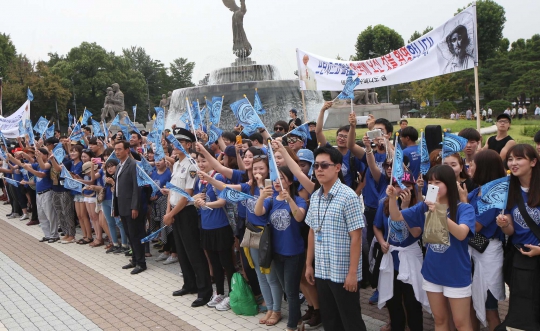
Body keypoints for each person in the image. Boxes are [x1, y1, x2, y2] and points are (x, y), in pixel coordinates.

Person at [388, 165, 476, 330]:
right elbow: (397, 216)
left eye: (438, 182)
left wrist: (440, 212)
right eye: (430, 182)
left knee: (461, 323)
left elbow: (462, 234)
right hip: (432, 273)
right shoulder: (424, 207)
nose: (432, 185)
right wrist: (393, 198)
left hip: (456, 274)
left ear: (449, 184)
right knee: (440, 320)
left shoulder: (465, 208)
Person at [305, 146, 367, 331]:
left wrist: (352, 273)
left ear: (338, 168)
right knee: (330, 320)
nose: (319, 170)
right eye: (316, 166)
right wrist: (309, 264)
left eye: (324, 165)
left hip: (343, 272)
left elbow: (356, 237)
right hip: (323, 270)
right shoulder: (315, 196)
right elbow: (312, 232)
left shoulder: (348, 196)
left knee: (351, 320)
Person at [163, 128, 212, 307]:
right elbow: (172, 190)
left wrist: (171, 213)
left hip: (186, 212)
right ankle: (189, 284)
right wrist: (168, 211)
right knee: (182, 251)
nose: (175, 145)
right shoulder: (176, 163)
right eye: (174, 142)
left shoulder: (191, 164)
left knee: (194, 252)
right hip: (175, 211)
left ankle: (204, 291)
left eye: (180, 142)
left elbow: (188, 194)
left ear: (188, 144)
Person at [255, 166, 307, 331]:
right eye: (276, 179)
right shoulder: (271, 201)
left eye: (282, 178)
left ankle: (291, 326)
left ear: (290, 181)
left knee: (291, 291)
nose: (278, 182)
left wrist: (289, 200)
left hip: (294, 252)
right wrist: (261, 197)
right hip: (276, 252)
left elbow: (299, 217)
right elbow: (258, 213)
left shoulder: (298, 199)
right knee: (286, 289)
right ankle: (297, 320)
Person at [495, 144, 540, 330]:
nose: (513, 163)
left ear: (533, 161)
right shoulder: (510, 191)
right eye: (511, 159)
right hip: (521, 262)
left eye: (519, 158)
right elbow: (512, 231)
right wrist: (505, 225)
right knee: (523, 312)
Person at [374, 170, 425, 331]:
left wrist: (404, 209)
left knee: (412, 302)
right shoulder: (385, 203)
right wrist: (382, 242)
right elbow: (377, 226)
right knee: (393, 301)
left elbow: (416, 232)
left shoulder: (419, 206)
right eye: (397, 185)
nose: (402, 189)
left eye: (407, 185)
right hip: (391, 258)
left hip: (411, 258)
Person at [467, 150, 506, 330]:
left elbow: (474, 226)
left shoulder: (495, 196)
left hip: (488, 255)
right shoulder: (475, 192)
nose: (469, 167)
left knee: (490, 309)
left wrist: (461, 201)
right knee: (470, 306)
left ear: (483, 168)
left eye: (472, 164)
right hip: (472, 252)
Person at [193, 150, 236, 312]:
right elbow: (201, 201)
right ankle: (219, 293)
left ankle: (232, 294)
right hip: (206, 227)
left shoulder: (217, 178)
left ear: (211, 161)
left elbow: (222, 201)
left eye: (204, 160)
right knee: (215, 264)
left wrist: (206, 205)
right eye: (198, 161)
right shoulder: (201, 181)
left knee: (227, 263)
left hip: (221, 227)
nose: (201, 164)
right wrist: (197, 203)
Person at [113, 140, 147, 275]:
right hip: (122, 205)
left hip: (131, 206)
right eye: (115, 149)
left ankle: (141, 262)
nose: (117, 152)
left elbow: (136, 188)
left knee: (135, 234)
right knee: (129, 234)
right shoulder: (119, 165)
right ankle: (134, 259)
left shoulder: (133, 165)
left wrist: (135, 207)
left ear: (127, 150)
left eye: (120, 149)